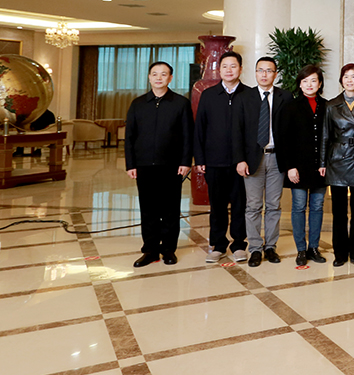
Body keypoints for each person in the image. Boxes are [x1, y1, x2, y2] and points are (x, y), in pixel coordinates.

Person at [125, 61, 193, 267]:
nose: (159, 78)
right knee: (148, 210)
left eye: (164, 74)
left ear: (170, 78)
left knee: (170, 210)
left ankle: (169, 249)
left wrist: (185, 161)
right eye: (155, 74)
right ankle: (150, 250)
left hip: (172, 165)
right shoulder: (138, 104)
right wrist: (131, 164)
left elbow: (188, 135)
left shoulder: (180, 103)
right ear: (149, 77)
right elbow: (130, 137)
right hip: (144, 165)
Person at [233, 56, 291, 267]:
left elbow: (291, 131)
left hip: (277, 158)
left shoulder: (286, 97)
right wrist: (240, 159)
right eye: (260, 70)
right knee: (253, 205)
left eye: (269, 70)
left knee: (274, 205)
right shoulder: (244, 97)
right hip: (252, 159)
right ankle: (255, 248)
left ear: (276, 74)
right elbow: (236, 131)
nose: (264, 74)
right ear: (255, 72)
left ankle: (270, 247)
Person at [193, 50, 249, 264]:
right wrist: (200, 159)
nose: (229, 70)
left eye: (233, 66)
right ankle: (218, 245)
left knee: (240, 205)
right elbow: (200, 129)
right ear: (219, 69)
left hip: (240, 163)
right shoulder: (208, 95)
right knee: (217, 206)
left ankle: (239, 244)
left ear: (240, 69)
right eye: (224, 66)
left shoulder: (249, 95)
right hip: (214, 161)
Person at [278, 64, 328, 267]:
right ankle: (300, 248)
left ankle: (313, 247)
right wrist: (290, 166)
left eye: (313, 81)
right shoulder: (290, 106)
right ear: (300, 84)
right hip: (297, 167)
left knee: (317, 206)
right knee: (299, 207)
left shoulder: (327, 106)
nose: (309, 84)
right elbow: (284, 139)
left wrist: (326, 163)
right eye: (305, 81)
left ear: (320, 84)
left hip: (320, 167)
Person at [321, 63, 354, 268]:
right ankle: (339, 253)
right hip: (337, 160)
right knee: (339, 211)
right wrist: (322, 163)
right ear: (341, 80)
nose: (349, 80)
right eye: (346, 76)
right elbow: (325, 137)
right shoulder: (331, 105)